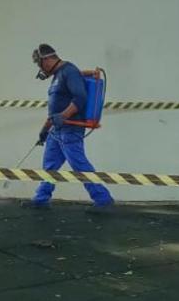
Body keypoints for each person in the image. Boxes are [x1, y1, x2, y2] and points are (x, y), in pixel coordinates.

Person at [27, 43, 114, 211]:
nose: (40, 68)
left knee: (80, 165)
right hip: (56, 130)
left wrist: (63, 116)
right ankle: (41, 199)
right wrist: (44, 130)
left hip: (71, 129)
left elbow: (80, 98)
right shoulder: (59, 75)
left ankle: (103, 200)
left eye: (40, 63)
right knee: (50, 166)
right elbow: (54, 110)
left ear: (47, 59)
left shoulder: (69, 71)